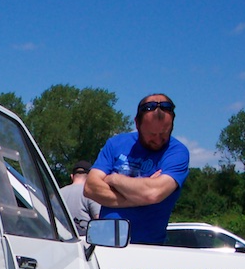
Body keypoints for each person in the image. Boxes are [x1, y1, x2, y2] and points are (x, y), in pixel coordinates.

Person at [85, 94, 191, 244]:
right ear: (137, 123)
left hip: (147, 248)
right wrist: (140, 195)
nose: (158, 139)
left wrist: (114, 179)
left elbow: (152, 194)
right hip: (103, 244)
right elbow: (90, 188)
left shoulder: (177, 152)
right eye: (152, 134)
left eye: (164, 133)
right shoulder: (116, 144)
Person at [59, 161, 100, 227]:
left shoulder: (59, 193)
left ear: (72, 176)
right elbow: (99, 219)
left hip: (60, 235)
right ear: (90, 177)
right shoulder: (91, 193)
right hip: (84, 235)